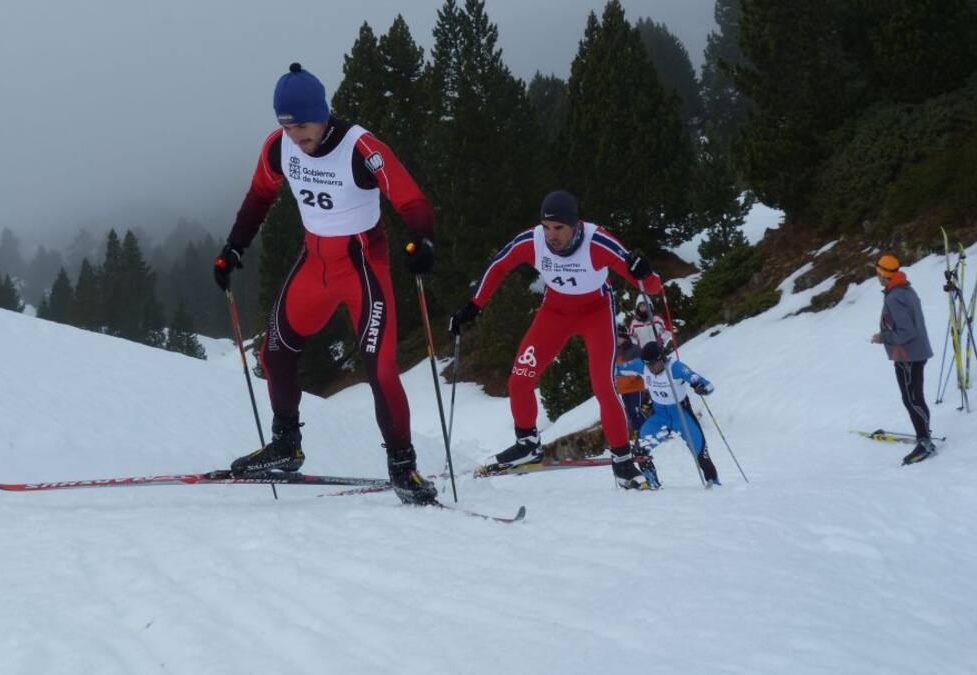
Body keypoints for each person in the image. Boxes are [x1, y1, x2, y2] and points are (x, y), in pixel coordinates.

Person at [213, 63, 438, 504]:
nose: (296, 135)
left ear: (323, 113)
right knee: (273, 353)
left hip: (361, 265)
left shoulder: (360, 146)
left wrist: (422, 239)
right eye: (287, 126)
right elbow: (260, 195)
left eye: (303, 125)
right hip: (314, 263)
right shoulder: (278, 148)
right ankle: (285, 446)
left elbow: (410, 198)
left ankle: (403, 467)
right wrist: (234, 247)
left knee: (381, 368)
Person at [448, 190, 661, 489]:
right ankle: (527, 445)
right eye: (546, 227)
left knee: (603, 385)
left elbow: (651, 288)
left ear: (575, 225)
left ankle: (623, 461)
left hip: (595, 313)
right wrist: (474, 306)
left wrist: (646, 272)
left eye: (558, 228)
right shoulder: (532, 242)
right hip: (555, 312)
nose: (551, 236)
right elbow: (499, 265)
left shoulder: (597, 242)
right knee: (519, 379)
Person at [617, 341, 720, 486]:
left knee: (701, 454)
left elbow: (707, 385)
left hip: (681, 415)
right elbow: (617, 369)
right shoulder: (642, 365)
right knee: (640, 450)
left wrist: (702, 387)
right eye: (648, 365)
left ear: (662, 358)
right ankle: (652, 484)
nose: (651, 368)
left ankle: (714, 485)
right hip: (659, 417)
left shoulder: (676, 368)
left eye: (654, 364)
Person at [870, 254, 934, 464]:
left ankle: (925, 441)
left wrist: (883, 338)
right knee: (913, 397)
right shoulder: (903, 289)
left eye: (877, 272)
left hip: (908, 355)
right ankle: (923, 433)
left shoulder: (896, 296)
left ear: (883, 274)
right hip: (911, 353)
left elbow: (906, 331)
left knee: (912, 399)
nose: (876, 275)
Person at [615, 324, 647, 435]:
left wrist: (631, 378)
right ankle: (640, 434)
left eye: (618, 336)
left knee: (637, 411)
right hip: (623, 389)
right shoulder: (616, 352)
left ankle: (648, 432)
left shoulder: (634, 349)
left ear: (624, 336)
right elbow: (616, 369)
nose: (616, 339)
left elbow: (640, 366)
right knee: (630, 413)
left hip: (634, 387)